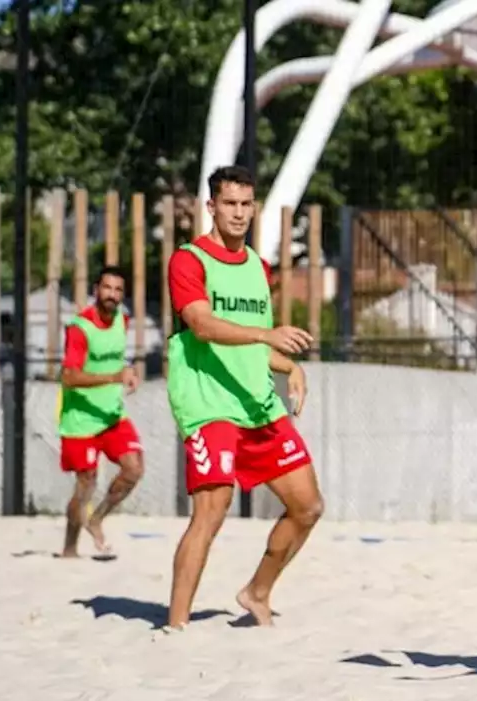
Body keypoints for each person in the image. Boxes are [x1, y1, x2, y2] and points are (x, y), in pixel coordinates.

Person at [164, 164, 321, 630]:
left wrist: (289, 364)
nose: (238, 212)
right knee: (211, 512)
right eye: (228, 203)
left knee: (308, 506)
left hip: (257, 404)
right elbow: (203, 325)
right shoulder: (189, 260)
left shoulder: (257, 265)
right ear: (211, 207)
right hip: (210, 404)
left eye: (245, 204)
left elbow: (252, 345)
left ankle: (256, 591)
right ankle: (175, 626)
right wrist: (266, 334)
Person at [57, 265, 145, 558]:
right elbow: (69, 376)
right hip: (81, 419)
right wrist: (114, 377)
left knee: (134, 470)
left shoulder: (123, 319)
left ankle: (97, 519)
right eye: (107, 288)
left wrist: (128, 372)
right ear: (96, 289)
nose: (112, 294)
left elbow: (118, 362)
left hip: (112, 415)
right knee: (86, 484)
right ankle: (69, 548)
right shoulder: (80, 327)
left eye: (118, 289)